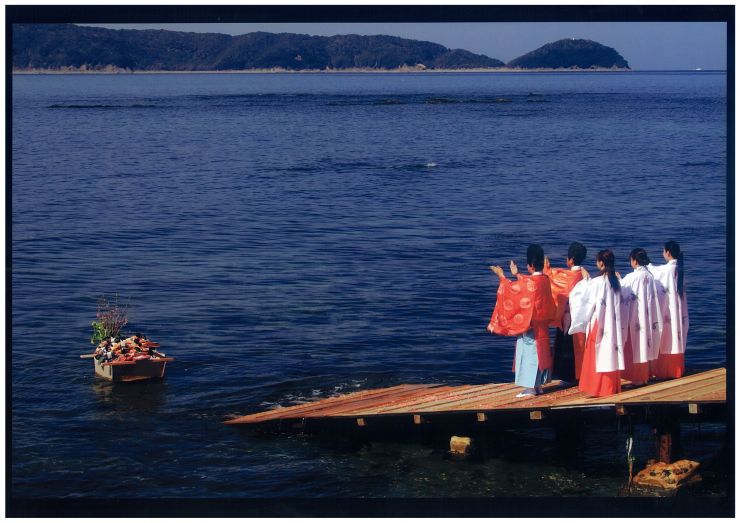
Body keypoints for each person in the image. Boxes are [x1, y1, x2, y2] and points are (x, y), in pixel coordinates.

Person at [488, 244, 557, 397]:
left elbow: (514, 289)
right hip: (542, 324)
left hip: (530, 324)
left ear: (530, 265)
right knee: (540, 353)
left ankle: (531, 388)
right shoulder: (544, 279)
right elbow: (528, 284)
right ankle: (538, 385)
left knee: (530, 353)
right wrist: (517, 273)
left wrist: (502, 276)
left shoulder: (531, 282)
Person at [568, 249, 625, 397]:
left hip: (599, 324)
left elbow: (580, 298)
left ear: (601, 263)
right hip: (612, 325)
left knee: (597, 355)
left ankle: (597, 387)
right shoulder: (616, 281)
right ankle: (610, 386)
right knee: (610, 353)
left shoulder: (597, 282)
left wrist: (586, 281)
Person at [544, 241, 588, 384]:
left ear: (571, 259)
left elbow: (551, 278)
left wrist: (546, 268)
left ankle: (568, 377)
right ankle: (580, 375)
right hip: (582, 317)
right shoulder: (585, 276)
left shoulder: (568, 277)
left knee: (567, 347)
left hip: (568, 317)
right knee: (580, 347)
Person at [619, 248, 663, 386]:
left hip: (635, 315)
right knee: (645, 344)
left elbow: (622, 290)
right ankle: (645, 374)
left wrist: (619, 279)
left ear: (634, 261)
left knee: (635, 346)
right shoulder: (649, 276)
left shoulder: (633, 277)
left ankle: (637, 378)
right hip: (647, 315)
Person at [648, 240, 688, 378]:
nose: (662, 253)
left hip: (669, 309)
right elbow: (658, 270)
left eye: (663, 251)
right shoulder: (679, 267)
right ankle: (676, 369)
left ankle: (664, 370)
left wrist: (647, 265)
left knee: (666, 337)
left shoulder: (668, 269)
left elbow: (656, 274)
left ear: (668, 253)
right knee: (676, 337)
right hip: (678, 308)